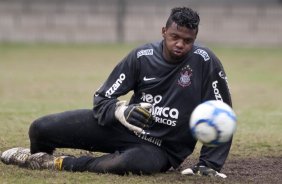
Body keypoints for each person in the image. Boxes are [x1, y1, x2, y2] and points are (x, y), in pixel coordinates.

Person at [0, 7, 232, 178]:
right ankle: (34, 158)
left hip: (161, 148)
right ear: (163, 32)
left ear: (195, 40)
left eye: (187, 40)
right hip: (124, 129)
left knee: (123, 165)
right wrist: (122, 112)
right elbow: (101, 99)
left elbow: (222, 113)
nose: (180, 44)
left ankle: (57, 163)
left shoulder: (205, 62)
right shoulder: (141, 57)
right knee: (41, 128)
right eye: (175, 37)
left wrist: (209, 163)